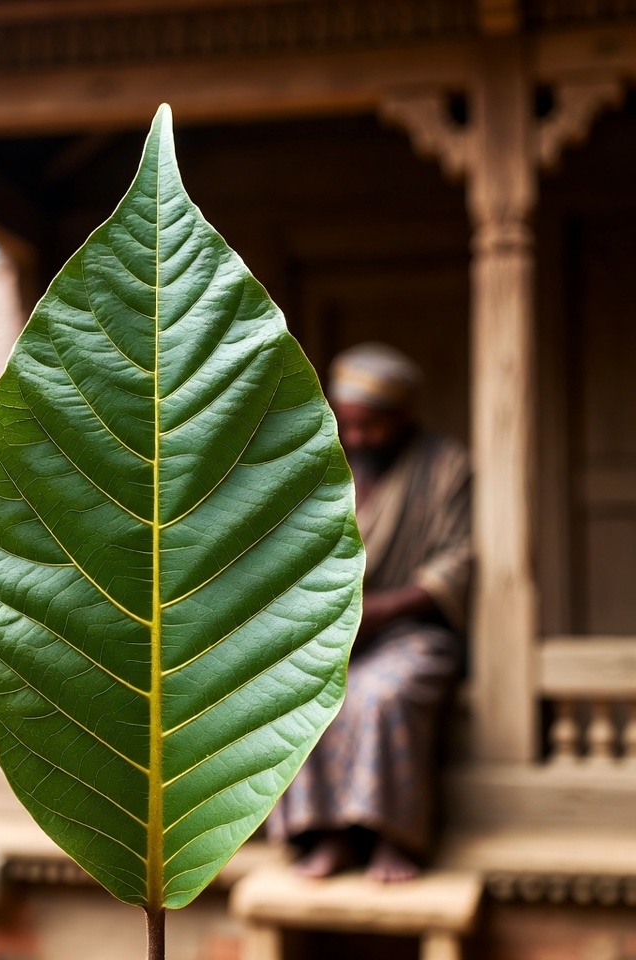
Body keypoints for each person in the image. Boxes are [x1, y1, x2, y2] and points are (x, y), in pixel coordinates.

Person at [268, 342, 472, 882]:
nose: (356, 438)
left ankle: (393, 840)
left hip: (408, 633)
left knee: (380, 694)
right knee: (298, 687)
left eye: (372, 427)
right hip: (331, 631)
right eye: (348, 425)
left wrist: (373, 615)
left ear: (404, 416)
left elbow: (456, 563)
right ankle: (329, 836)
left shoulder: (446, 468)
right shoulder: (319, 465)